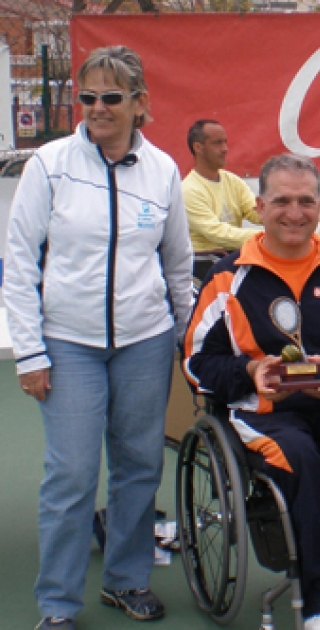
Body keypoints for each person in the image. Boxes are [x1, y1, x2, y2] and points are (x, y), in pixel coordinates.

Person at [2, 46, 194, 630]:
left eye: (112, 97)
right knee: (72, 473)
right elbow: (18, 264)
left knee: (139, 465)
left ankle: (126, 579)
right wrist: (30, 351)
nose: (97, 108)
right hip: (68, 343)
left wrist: (186, 338)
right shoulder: (50, 164)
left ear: (140, 104)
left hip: (146, 340)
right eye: (87, 98)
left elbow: (177, 263)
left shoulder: (161, 169)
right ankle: (58, 605)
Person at [183, 154, 320, 630]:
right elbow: (197, 364)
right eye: (281, 201)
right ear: (259, 207)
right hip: (265, 412)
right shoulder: (227, 277)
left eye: (306, 201)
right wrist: (249, 372)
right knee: (297, 457)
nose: (294, 212)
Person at [182, 119, 262, 262]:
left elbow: (256, 212)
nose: (225, 148)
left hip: (232, 258)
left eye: (225, 142)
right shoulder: (188, 190)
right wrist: (268, 238)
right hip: (204, 265)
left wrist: (281, 216)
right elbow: (217, 234)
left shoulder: (233, 181)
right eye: (217, 143)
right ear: (198, 147)